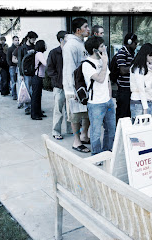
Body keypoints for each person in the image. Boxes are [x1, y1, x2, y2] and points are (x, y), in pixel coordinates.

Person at [83, 35, 115, 160]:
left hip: (108, 102)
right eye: (102, 46)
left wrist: (110, 98)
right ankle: (96, 156)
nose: (105, 48)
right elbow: (100, 79)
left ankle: (107, 153)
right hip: (95, 103)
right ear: (95, 50)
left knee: (111, 130)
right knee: (96, 132)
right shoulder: (87, 64)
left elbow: (107, 81)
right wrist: (105, 63)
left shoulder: (103, 61)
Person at [62, 18, 91, 153]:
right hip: (74, 88)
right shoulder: (70, 46)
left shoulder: (82, 43)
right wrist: (73, 90)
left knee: (86, 113)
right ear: (78, 30)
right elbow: (69, 69)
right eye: (86, 27)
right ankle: (76, 141)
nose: (88, 29)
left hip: (85, 86)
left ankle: (84, 136)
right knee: (75, 115)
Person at [47, 31, 73, 139]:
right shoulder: (54, 53)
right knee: (58, 110)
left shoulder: (70, 51)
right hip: (59, 87)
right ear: (61, 40)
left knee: (70, 110)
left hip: (70, 86)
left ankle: (70, 129)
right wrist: (58, 80)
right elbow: (50, 69)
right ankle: (56, 131)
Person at [129, 43, 152, 121]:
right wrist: (145, 108)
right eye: (151, 54)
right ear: (145, 54)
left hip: (147, 100)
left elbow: (145, 85)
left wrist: (151, 84)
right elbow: (141, 88)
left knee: (147, 129)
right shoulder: (138, 68)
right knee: (138, 129)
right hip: (139, 101)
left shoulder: (147, 66)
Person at [114, 33, 138, 122]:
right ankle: (118, 133)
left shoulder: (131, 53)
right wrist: (135, 66)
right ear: (129, 42)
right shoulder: (122, 52)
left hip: (130, 88)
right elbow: (123, 70)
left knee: (128, 114)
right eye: (135, 43)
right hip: (123, 89)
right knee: (122, 114)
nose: (136, 45)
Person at [18, 31, 38, 115]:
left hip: (34, 71)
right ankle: (27, 107)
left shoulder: (35, 46)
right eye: (33, 39)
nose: (34, 40)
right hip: (26, 72)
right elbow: (20, 62)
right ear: (28, 38)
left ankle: (33, 107)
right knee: (27, 90)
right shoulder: (22, 48)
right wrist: (21, 73)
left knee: (34, 90)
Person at [30, 40, 47, 120]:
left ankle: (38, 112)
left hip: (38, 76)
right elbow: (45, 63)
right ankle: (34, 114)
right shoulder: (39, 54)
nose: (46, 46)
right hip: (37, 76)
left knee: (38, 95)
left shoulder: (38, 53)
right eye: (44, 44)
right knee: (36, 96)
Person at [7, 36, 20, 100]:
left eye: (18, 40)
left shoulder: (20, 48)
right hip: (13, 67)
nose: (17, 41)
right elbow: (8, 59)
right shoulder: (10, 49)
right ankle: (14, 94)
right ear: (13, 41)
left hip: (19, 66)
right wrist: (13, 64)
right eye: (15, 40)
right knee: (13, 81)